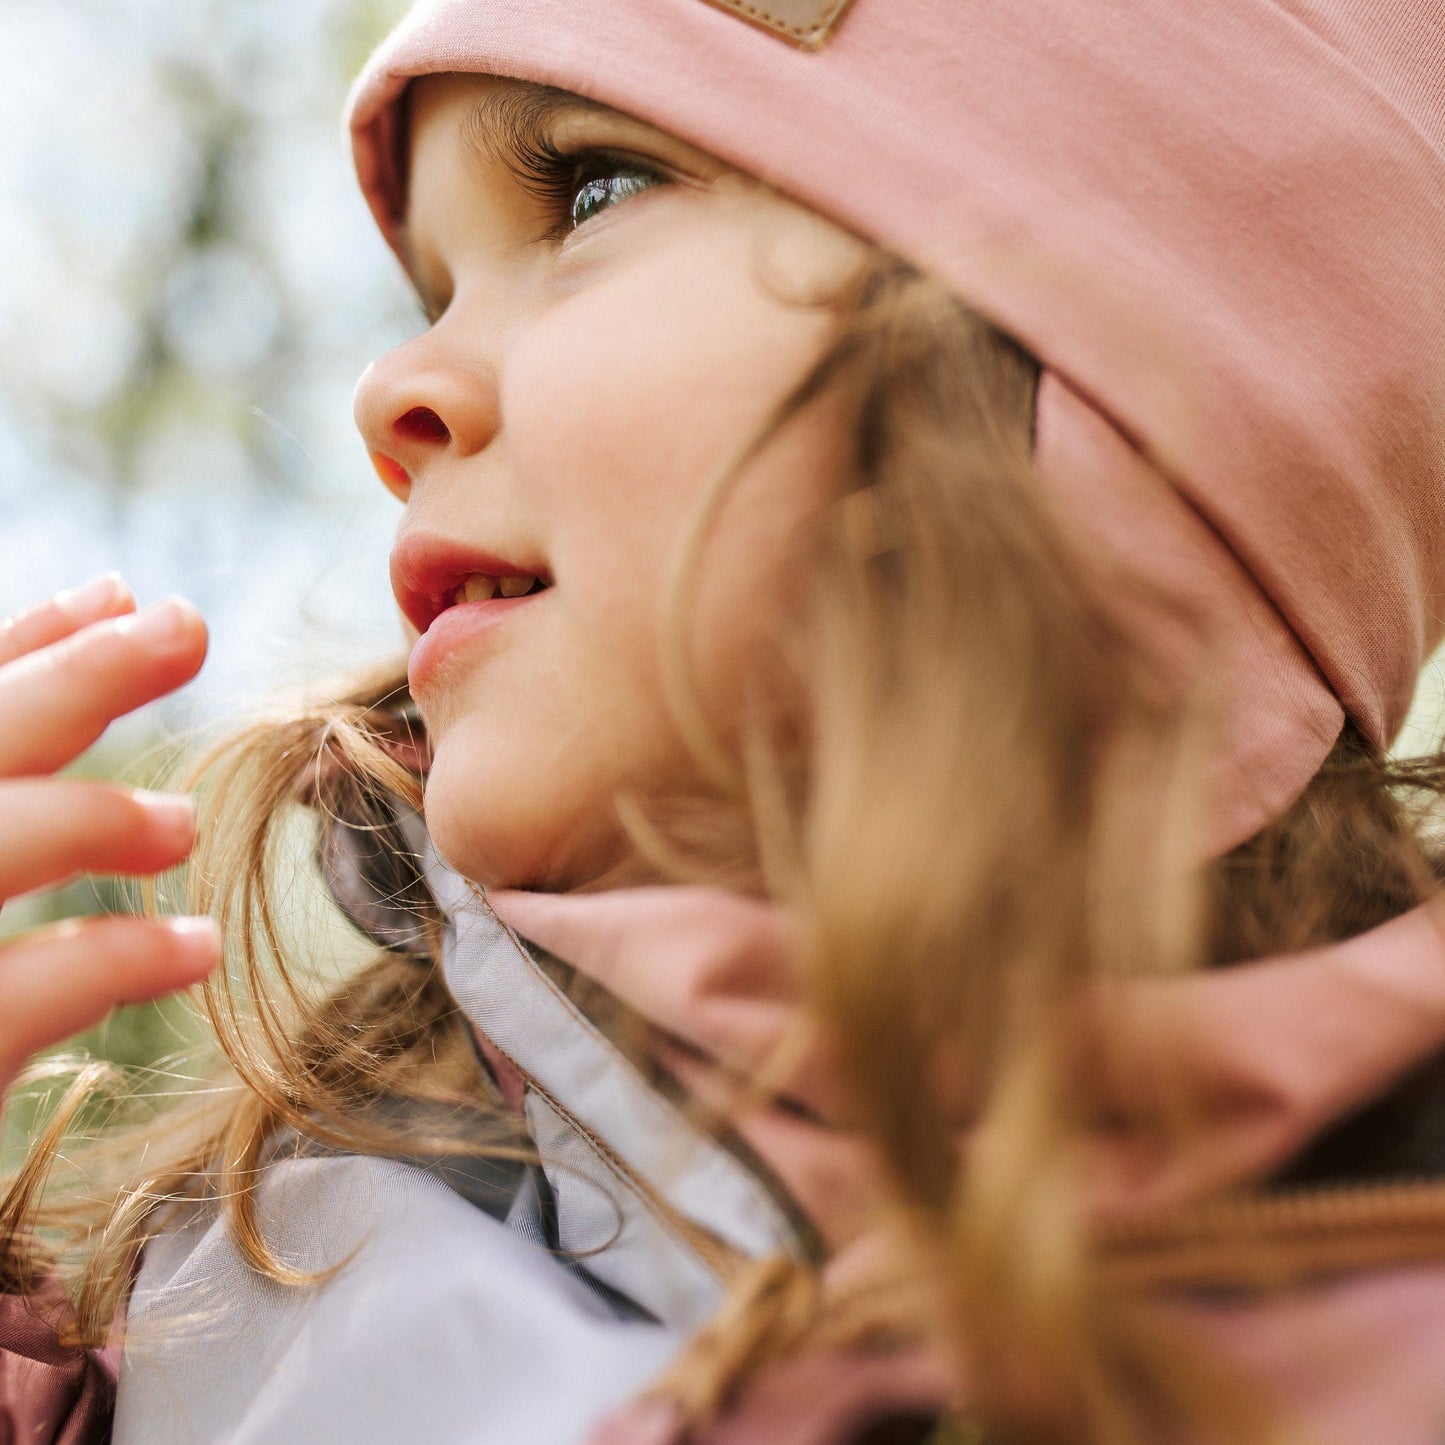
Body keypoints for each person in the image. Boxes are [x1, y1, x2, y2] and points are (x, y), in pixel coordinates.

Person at [4, 1, 1445, 1441]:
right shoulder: (247, 1286)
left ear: (1125, 414)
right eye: (430, 294)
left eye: (592, 188)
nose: (390, 392)